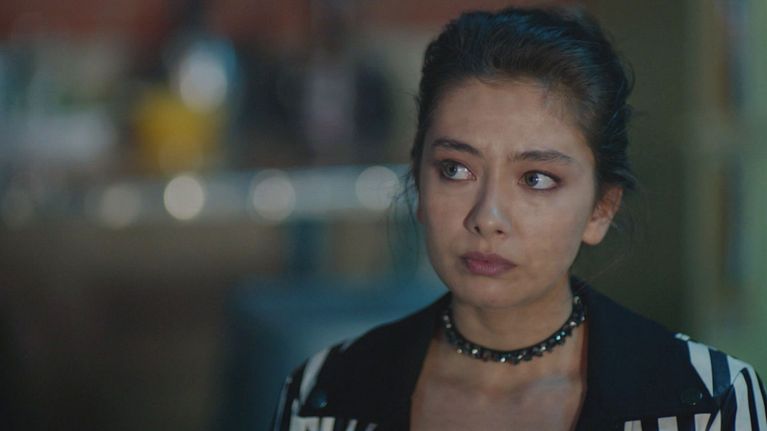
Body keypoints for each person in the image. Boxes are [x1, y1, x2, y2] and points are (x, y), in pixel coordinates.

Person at [272, 6, 767, 430]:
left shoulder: (706, 401)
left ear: (601, 210)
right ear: (419, 183)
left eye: (536, 178)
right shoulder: (323, 396)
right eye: (455, 169)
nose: (487, 218)